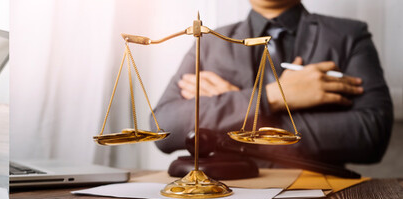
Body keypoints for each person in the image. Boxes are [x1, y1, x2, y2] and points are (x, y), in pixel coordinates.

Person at [152, 0, 393, 168]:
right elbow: (164, 128)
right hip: (227, 194)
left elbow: (372, 134)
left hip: (324, 198)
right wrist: (273, 97)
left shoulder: (349, 35)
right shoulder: (210, 42)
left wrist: (234, 116)